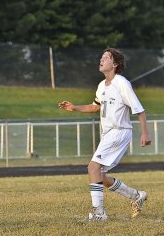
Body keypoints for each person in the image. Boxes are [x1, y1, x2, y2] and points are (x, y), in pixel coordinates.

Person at [58, 47, 151, 221]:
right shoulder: (102, 86)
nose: (101, 60)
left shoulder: (122, 83)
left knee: (92, 167)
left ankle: (99, 213)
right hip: (109, 134)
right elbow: (95, 106)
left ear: (114, 64)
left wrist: (145, 133)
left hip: (119, 132)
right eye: (101, 57)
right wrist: (74, 107)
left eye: (106, 57)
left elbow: (139, 110)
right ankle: (136, 196)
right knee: (99, 175)